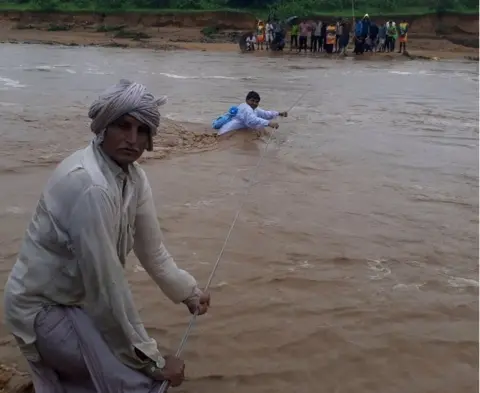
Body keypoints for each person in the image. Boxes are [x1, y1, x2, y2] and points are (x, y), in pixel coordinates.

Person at [3, 79, 211, 392]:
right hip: (42, 310)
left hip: (79, 302)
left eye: (142, 131)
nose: (132, 139)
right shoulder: (91, 186)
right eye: (123, 126)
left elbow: (152, 252)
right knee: (138, 383)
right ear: (102, 129)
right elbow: (107, 287)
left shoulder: (134, 177)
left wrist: (189, 292)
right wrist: (152, 362)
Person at [216, 91, 287, 137]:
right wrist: (269, 123)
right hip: (226, 133)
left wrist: (279, 113)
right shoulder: (246, 108)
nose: (254, 103)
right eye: (252, 101)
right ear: (247, 100)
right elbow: (252, 119)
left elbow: (265, 114)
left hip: (231, 131)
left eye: (256, 102)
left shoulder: (253, 108)